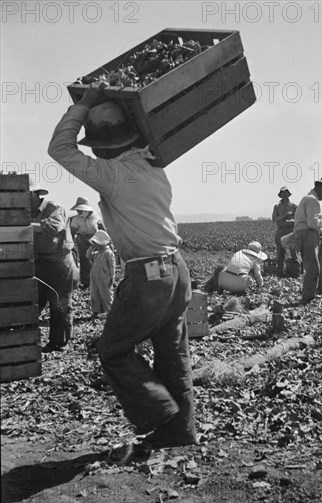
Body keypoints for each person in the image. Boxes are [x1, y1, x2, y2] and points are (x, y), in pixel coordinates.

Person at [48, 84, 196, 453]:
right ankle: (181, 431)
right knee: (172, 352)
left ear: (102, 145)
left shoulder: (113, 174)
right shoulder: (152, 165)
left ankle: (158, 410)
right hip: (177, 270)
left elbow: (59, 149)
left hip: (149, 275)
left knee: (112, 349)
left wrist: (82, 107)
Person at [30, 182, 77, 353]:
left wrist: (27, 227)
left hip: (59, 263)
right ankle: (28, 341)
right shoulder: (28, 213)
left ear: (34, 195)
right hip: (40, 262)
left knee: (60, 303)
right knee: (36, 301)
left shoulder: (54, 207)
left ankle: (60, 342)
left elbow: (53, 227)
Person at [293, 176, 322, 304]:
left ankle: (314, 294)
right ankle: (308, 298)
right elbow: (312, 223)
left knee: (316, 265)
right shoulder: (312, 200)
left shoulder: (309, 198)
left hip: (305, 234)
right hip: (307, 234)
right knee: (313, 269)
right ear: (321, 187)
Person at [69, 196, 105, 287]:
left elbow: (102, 229)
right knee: (85, 259)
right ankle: (86, 282)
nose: (79, 212)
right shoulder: (76, 219)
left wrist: (106, 242)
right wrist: (70, 244)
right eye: (78, 210)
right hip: (82, 239)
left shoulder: (95, 216)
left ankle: (99, 280)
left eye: (81, 210)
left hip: (95, 239)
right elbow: (72, 232)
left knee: (98, 259)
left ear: (86, 210)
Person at [86, 230, 116, 316]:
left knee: (105, 294)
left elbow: (112, 266)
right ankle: (96, 310)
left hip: (104, 277)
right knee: (95, 293)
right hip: (95, 276)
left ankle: (108, 311)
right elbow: (88, 255)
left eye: (95, 243)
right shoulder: (98, 253)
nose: (94, 244)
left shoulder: (108, 253)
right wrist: (91, 248)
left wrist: (112, 278)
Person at [272, 186, 297, 276]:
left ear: (288, 194)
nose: (285, 195)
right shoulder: (277, 206)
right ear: (281, 195)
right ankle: (281, 274)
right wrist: (283, 215)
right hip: (281, 231)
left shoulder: (294, 206)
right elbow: (274, 219)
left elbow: (299, 218)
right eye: (283, 193)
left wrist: (292, 221)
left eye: (286, 193)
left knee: (293, 252)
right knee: (280, 253)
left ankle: (295, 273)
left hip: (291, 231)